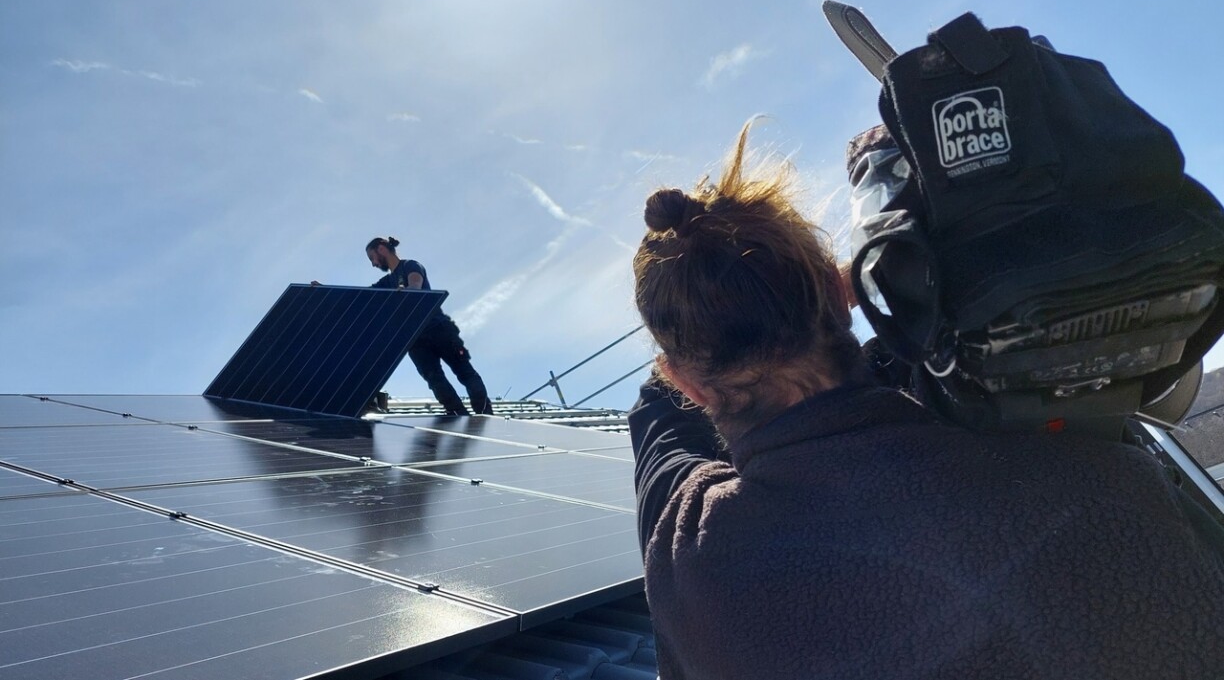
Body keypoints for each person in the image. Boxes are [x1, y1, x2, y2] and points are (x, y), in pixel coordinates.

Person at [628, 122, 1224, 680]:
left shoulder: (692, 564)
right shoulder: (1101, 474)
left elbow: (659, 432)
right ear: (841, 292)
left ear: (687, 384)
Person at [366, 236, 493, 415]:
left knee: (463, 371)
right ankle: (458, 416)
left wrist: (404, 292)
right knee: (434, 379)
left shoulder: (411, 265)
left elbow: (415, 286)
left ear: (381, 249)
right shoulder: (386, 282)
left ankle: (484, 415)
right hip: (415, 339)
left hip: (438, 329)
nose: (373, 264)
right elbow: (363, 297)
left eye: (372, 258)